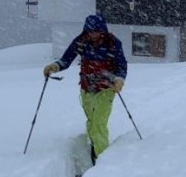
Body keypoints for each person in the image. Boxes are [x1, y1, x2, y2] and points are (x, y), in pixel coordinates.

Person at [43, 14, 127, 165]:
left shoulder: (113, 43)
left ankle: (103, 163)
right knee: (91, 122)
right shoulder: (81, 41)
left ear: (103, 30)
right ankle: (94, 151)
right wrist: (54, 67)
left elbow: (121, 66)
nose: (92, 34)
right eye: (90, 31)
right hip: (86, 88)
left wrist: (119, 80)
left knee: (99, 125)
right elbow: (66, 59)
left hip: (106, 89)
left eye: (96, 31)